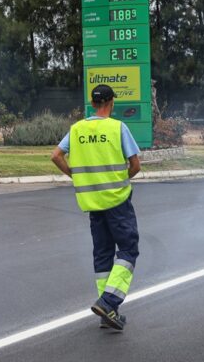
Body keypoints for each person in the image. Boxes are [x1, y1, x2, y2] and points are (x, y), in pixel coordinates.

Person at [51, 84, 141, 331]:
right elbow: (135, 165)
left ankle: (108, 314)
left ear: (92, 104)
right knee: (128, 250)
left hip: (92, 203)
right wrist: (121, 179)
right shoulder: (117, 127)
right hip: (117, 202)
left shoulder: (77, 129)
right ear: (112, 103)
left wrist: (77, 176)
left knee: (102, 255)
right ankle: (109, 301)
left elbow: (56, 155)